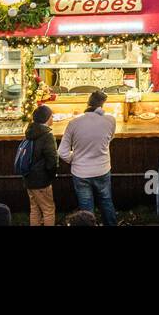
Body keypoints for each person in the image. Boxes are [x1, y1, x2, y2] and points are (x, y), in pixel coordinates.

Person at [57, 90, 117, 225]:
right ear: (102, 105)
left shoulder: (74, 123)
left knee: (86, 208)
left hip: (81, 172)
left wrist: (75, 158)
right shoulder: (110, 120)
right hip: (102, 169)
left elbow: (62, 152)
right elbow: (109, 139)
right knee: (106, 201)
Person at [20, 104, 58, 226]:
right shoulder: (47, 136)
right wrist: (51, 176)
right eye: (52, 116)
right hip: (41, 180)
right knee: (48, 210)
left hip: (29, 179)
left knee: (35, 208)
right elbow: (52, 160)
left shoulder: (30, 132)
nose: (53, 118)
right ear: (47, 118)